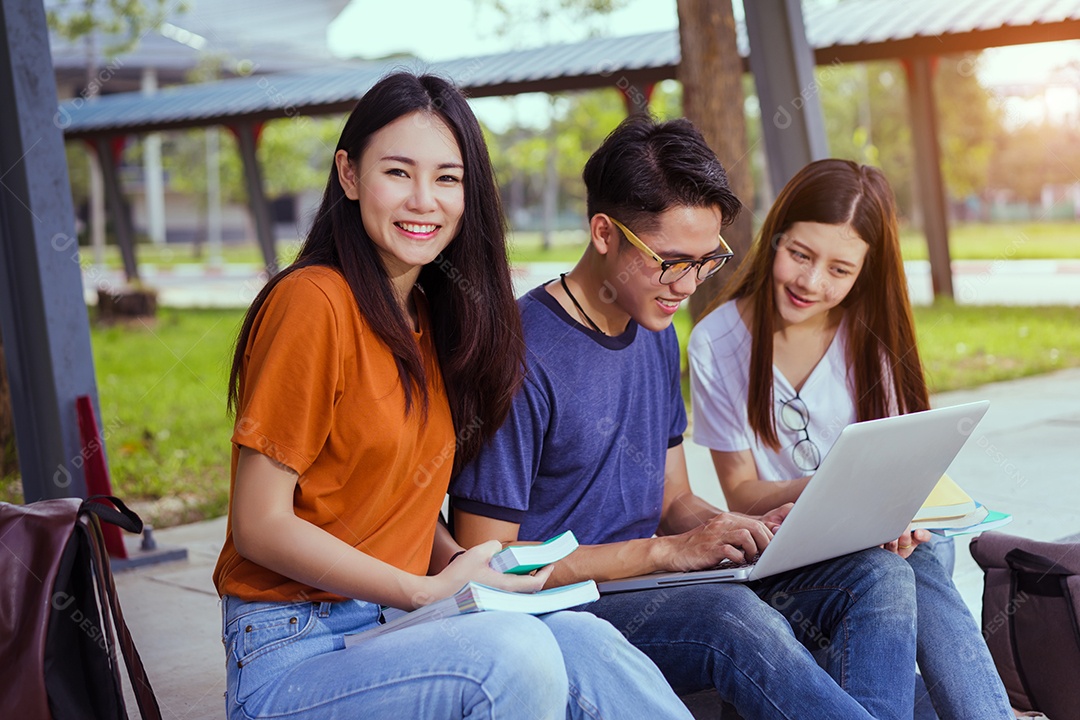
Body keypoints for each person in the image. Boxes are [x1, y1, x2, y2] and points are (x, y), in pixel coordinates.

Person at [212, 72, 695, 720]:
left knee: (575, 634)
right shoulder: (313, 302)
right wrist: (422, 589)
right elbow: (259, 524)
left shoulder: (436, 321)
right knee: (516, 655)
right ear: (350, 176)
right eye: (398, 173)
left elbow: (399, 511)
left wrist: (471, 569)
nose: (424, 200)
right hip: (294, 650)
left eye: (447, 178)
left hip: (395, 622)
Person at [452, 115, 920, 720]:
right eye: (673, 261)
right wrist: (663, 553)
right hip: (567, 607)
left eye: (707, 260)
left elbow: (674, 496)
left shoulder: (654, 327)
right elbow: (486, 559)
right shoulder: (518, 355)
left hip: (658, 582)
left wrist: (734, 527)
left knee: (880, 576)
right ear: (603, 233)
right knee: (734, 620)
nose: (689, 285)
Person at [688, 158, 1014, 719]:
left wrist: (899, 505)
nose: (812, 283)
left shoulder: (872, 337)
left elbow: (911, 451)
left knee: (923, 555)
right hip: (793, 550)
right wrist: (830, 488)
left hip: (890, 535)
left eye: (840, 270)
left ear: (865, 271)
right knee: (906, 574)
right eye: (800, 255)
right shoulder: (717, 340)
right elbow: (740, 491)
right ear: (776, 236)